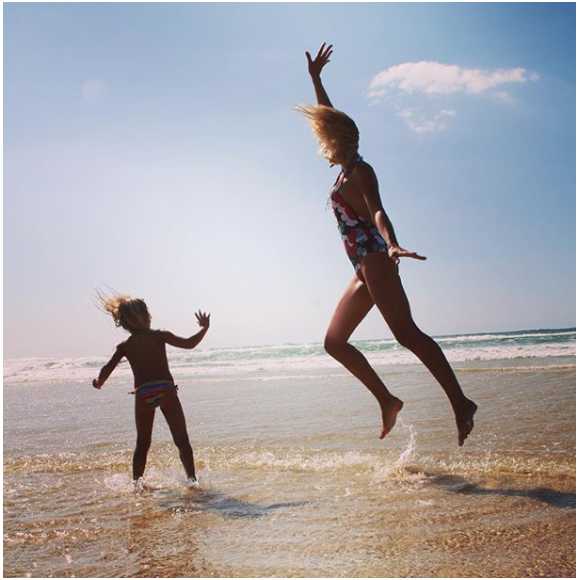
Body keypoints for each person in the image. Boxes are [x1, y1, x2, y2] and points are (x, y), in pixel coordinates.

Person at [297, 44, 477, 446]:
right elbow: (331, 119)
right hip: (362, 265)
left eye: (327, 134)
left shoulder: (361, 171)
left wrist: (393, 245)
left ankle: (461, 403)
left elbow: (379, 212)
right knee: (334, 342)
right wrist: (316, 80)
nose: (321, 137)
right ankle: (387, 400)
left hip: (377, 259)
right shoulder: (345, 171)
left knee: (407, 334)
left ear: (338, 141)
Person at [92, 294, 211, 485]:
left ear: (124, 324)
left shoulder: (125, 346)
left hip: (143, 393)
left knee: (142, 443)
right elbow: (189, 343)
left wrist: (99, 381)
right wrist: (204, 328)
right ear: (147, 317)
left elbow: (108, 367)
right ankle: (192, 481)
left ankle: (137, 484)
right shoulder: (159, 335)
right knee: (181, 440)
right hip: (166, 390)